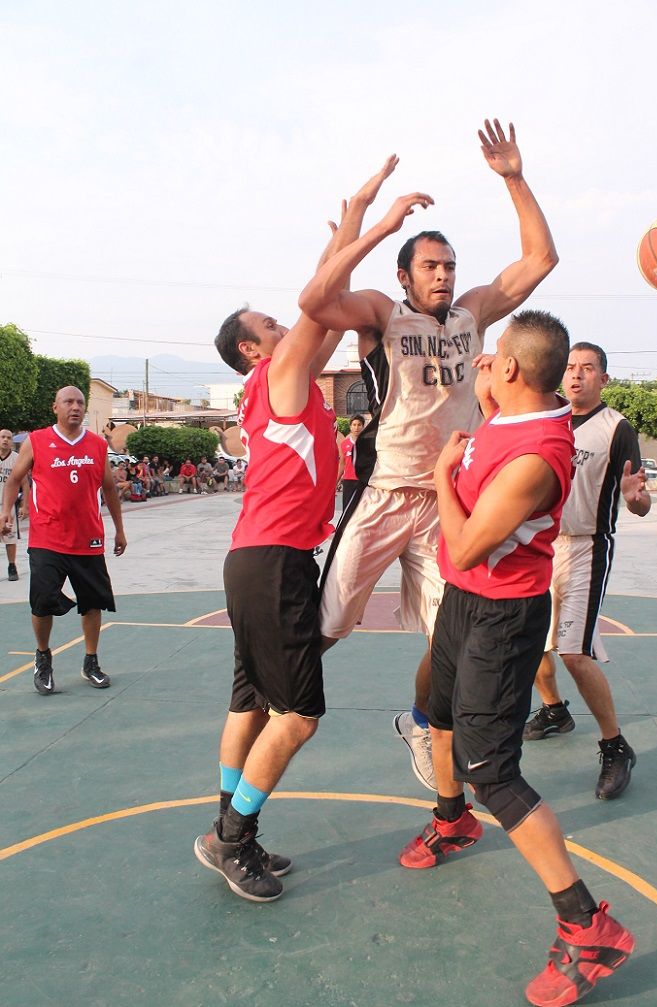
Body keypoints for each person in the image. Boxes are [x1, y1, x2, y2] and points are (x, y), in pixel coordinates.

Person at [299, 119, 558, 792]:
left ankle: (418, 718)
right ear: (405, 275)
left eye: (448, 266)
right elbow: (316, 298)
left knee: (451, 641)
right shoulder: (383, 315)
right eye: (431, 266)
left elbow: (539, 261)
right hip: (386, 492)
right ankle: (273, 704)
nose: (443, 276)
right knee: (325, 628)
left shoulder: (473, 314)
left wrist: (514, 179)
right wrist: (380, 224)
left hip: (447, 497)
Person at [192, 157, 421, 903]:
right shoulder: (280, 374)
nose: (283, 325)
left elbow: (320, 302)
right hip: (273, 561)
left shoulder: (276, 380)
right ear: (253, 350)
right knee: (298, 716)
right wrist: (376, 225)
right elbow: (318, 302)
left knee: (250, 703)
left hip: (252, 557)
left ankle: (228, 824)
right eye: (269, 325)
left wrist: (352, 217)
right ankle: (233, 839)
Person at [397, 313, 634, 1007]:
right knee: (439, 710)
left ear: (511, 370)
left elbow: (467, 543)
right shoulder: (507, 406)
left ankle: (589, 925)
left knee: (493, 770)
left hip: (503, 615)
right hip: (466, 604)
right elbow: (496, 397)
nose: (485, 364)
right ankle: (452, 820)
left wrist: (443, 472)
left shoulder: (536, 457)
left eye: (493, 357)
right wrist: (484, 386)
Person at [523, 342, 649, 800]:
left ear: (603, 379)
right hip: (539, 545)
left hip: (586, 548)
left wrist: (636, 498)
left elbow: (639, 501)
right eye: (571, 367)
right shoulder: (545, 417)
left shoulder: (617, 429)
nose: (576, 375)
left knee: (574, 653)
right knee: (531, 640)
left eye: (587, 368)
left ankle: (615, 746)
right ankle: (556, 710)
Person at [0, 387, 127, 694]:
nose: (75, 407)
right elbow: (15, 478)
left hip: (88, 539)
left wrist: (120, 530)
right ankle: (43, 658)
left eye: (80, 402)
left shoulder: (97, 445)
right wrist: (7, 511)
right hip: (47, 537)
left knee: (93, 603)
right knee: (42, 602)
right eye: (69, 402)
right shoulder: (38, 441)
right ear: (54, 406)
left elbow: (109, 489)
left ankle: (91, 661)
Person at [0, 428, 30, 581]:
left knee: (9, 537)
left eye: (9, 438)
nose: (5, 440)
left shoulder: (17, 458)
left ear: (12, 441)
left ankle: (12, 566)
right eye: (3, 437)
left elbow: (25, 483)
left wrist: (25, 506)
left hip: (8, 505)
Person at [337, 414, 365, 512]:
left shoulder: (368, 443)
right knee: (347, 509)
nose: (356, 427)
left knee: (361, 509)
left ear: (363, 426)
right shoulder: (344, 444)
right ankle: (347, 527)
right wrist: (336, 482)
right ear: (350, 427)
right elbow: (342, 464)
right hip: (349, 481)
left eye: (359, 425)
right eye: (354, 425)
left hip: (363, 481)